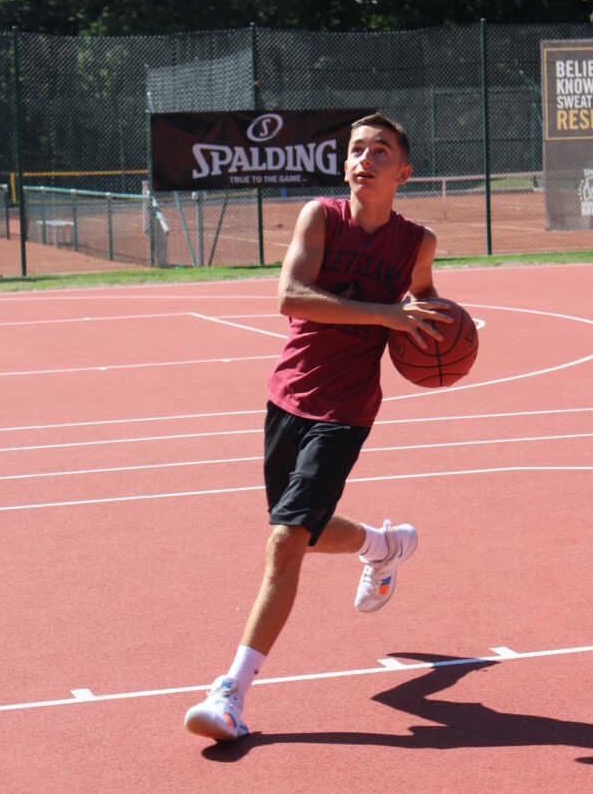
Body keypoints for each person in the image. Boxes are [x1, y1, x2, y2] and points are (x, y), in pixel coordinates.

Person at [184, 112, 450, 741]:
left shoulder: (418, 243)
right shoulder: (320, 218)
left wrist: (435, 330)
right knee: (299, 533)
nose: (365, 160)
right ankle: (383, 545)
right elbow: (291, 295)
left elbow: (423, 304)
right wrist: (385, 314)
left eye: (380, 151)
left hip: (346, 410)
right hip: (288, 395)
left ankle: (230, 696)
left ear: (403, 172)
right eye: (356, 150)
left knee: (284, 542)